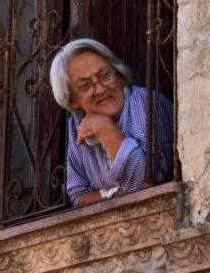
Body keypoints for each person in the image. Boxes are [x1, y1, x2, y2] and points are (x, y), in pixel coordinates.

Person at [50, 38, 173, 206]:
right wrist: (118, 193)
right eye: (85, 86)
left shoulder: (142, 102)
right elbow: (79, 196)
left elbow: (148, 182)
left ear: (119, 75)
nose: (100, 89)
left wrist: (105, 129)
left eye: (105, 76)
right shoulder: (76, 127)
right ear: (72, 101)